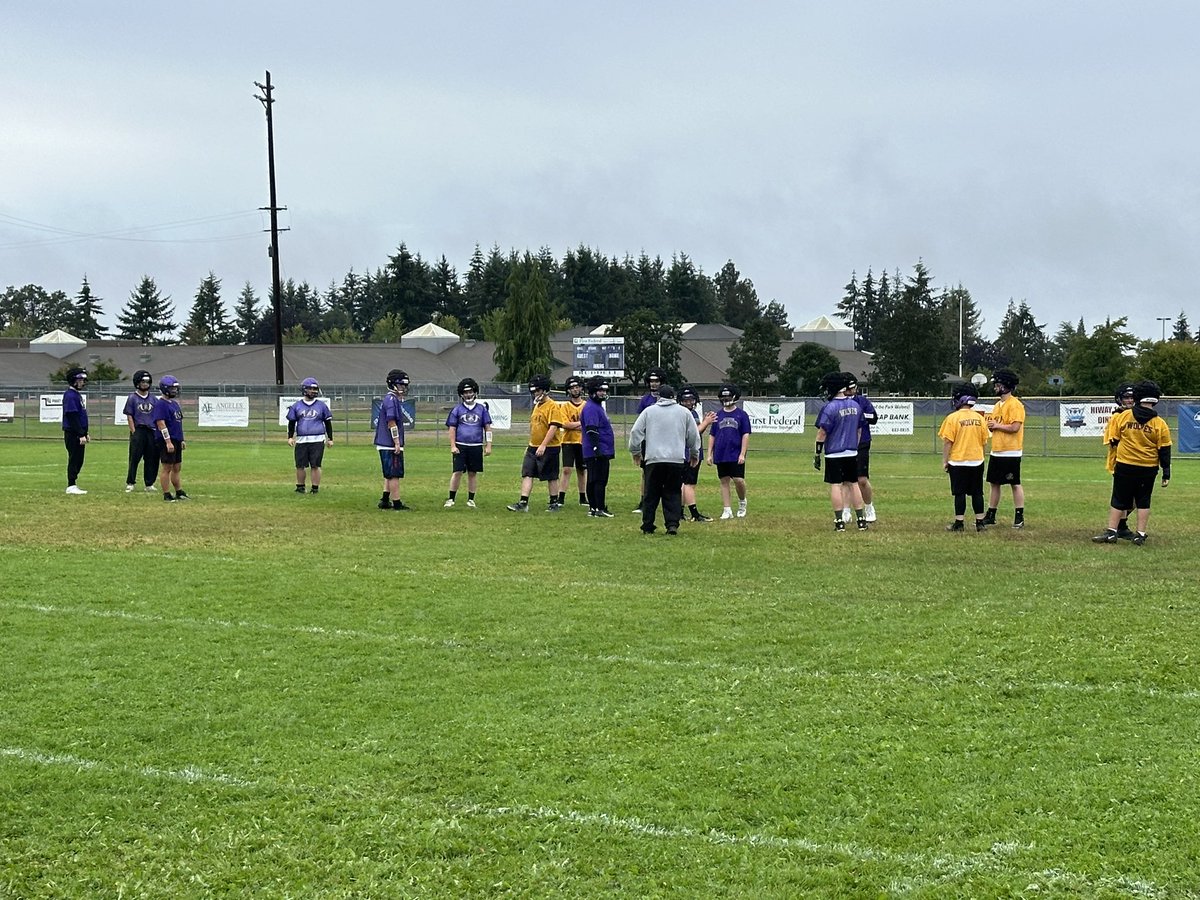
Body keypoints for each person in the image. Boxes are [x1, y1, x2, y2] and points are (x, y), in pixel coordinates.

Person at [1092, 380, 1172, 546]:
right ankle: (1140, 534)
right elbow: (1164, 449)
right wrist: (1166, 472)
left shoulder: (1123, 416)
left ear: (1137, 397)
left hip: (1125, 464)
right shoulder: (1160, 423)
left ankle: (1112, 531)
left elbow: (1114, 439)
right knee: (1143, 500)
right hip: (1148, 467)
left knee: (1118, 499)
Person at [628, 384, 701, 535]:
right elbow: (693, 435)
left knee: (651, 493)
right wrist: (694, 454)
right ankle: (672, 524)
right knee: (673, 492)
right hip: (676, 459)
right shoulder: (684, 413)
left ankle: (648, 525)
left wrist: (635, 451)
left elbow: (636, 432)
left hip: (654, 459)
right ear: (673, 397)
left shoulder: (649, 411)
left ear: (658, 397)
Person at [814, 371, 866, 531]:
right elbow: (859, 430)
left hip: (834, 452)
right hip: (851, 451)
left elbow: (822, 432)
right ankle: (861, 521)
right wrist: (854, 447)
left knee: (836, 485)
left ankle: (839, 522)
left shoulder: (830, 408)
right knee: (854, 484)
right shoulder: (856, 405)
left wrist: (817, 453)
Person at [507, 374, 563, 512]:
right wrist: (530, 444)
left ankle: (554, 502)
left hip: (550, 447)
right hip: (533, 446)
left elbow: (553, 427)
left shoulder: (553, 406)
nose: (535, 394)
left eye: (538, 391)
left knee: (551, 476)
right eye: (533, 391)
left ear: (545, 390)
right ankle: (523, 502)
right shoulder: (537, 406)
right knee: (527, 473)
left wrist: (543, 444)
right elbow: (535, 427)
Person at [938, 383, 990, 531]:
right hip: (976, 461)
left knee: (959, 493)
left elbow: (948, 442)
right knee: (977, 493)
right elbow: (984, 441)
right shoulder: (980, 418)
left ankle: (959, 522)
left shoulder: (952, 418)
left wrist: (945, 461)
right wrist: (982, 457)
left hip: (958, 461)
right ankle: (980, 522)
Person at [982, 368, 1026, 529]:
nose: (995, 387)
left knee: (1014, 483)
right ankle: (991, 514)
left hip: (1011, 451)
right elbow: (997, 426)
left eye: (998, 384)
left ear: (1006, 385)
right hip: (997, 450)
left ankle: (1019, 516)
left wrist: (998, 426)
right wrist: (993, 427)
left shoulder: (1015, 405)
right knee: (994, 483)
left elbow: (1015, 427)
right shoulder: (997, 406)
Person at [444, 377, 492, 508]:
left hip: (476, 446)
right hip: (461, 445)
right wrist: (453, 445)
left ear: (475, 392)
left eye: (470, 391)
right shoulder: (457, 410)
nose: (468, 394)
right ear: (461, 394)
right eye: (465, 392)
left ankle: (471, 499)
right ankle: (451, 498)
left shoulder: (482, 409)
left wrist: (488, 445)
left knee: (472, 473)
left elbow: (487, 427)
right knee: (457, 472)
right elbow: (452, 428)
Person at [708, 383, 751, 519]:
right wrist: (709, 453)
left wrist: (742, 453)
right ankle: (727, 509)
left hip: (735, 453)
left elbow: (745, 434)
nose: (725, 399)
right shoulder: (718, 415)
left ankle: (742, 502)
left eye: (728, 396)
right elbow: (712, 435)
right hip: (721, 453)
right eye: (723, 397)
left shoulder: (741, 415)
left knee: (738, 480)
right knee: (724, 480)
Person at [1100, 382, 1137, 539]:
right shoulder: (1116, 417)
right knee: (1123, 496)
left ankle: (1121, 522)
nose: (1129, 401)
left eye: (1132, 397)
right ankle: (1121, 526)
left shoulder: (1137, 415)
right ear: (1120, 399)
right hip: (1120, 460)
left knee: (1136, 498)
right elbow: (1113, 440)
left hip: (1137, 461)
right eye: (1126, 397)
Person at [286, 377, 333, 494]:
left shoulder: (321, 406)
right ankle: (300, 487)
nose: (313, 391)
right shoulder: (296, 406)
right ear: (304, 389)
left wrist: (330, 438)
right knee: (300, 465)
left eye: (315, 389)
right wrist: (290, 437)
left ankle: (315, 488)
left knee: (315, 465)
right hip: (302, 440)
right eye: (311, 388)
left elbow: (328, 422)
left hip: (317, 439)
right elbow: (291, 422)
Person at [373, 369, 411, 510]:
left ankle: (384, 500)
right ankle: (397, 502)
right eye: (401, 385)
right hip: (389, 444)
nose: (403, 388)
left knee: (389, 474)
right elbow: (391, 422)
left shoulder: (391, 399)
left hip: (385, 443)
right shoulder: (391, 400)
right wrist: (396, 442)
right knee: (394, 474)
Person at [844, 373, 878, 523]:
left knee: (862, 479)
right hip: (844, 442)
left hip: (862, 442)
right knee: (845, 480)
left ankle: (869, 507)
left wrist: (858, 414)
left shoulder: (862, 401)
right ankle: (845, 511)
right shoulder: (839, 402)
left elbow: (874, 418)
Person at [678, 385, 716, 522]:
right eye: (685, 400)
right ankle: (694, 513)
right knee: (688, 483)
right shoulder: (682, 413)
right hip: (687, 453)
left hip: (695, 451)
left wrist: (704, 424)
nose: (689, 402)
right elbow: (691, 433)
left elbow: (699, 432)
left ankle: (680, 513)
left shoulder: (693, 413)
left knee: (686, 483)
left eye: (691, 400)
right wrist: (706, 422)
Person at [633, 367, 667, 513]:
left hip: (665, 439)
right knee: (646, 471)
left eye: (656, 381)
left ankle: (668, 501)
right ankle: (644, 501)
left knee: (666, 470)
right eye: (651, 381)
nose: (654, 384)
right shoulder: (645, 399)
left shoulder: (668, 398)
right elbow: (640, 422)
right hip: (648, 440)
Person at [580, 376, 616, 518]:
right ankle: (598, 508)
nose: (603, 393)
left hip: (598, 448)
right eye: (600, 390)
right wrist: (596, 448)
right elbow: (591, 429)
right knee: (599, 479)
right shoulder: (591, 408)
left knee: (594, 479)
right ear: (593, 391)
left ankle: (594, 508)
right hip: (596, 449)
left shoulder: (596, 407)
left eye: (604, 390)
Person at [152, 375, 189, 502]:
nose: (175, 391)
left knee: (177, 467)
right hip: (167, 440)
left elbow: (178, 422)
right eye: (172, 389)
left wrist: (181, 439)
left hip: (176, 438)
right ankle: (166, 494)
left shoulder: (174, 404)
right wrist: (168, 441)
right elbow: (161, 423)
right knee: (167, 467)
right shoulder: (161, 404)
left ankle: (179, 491)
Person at [123, 369, 159, 492]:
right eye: (142, 381)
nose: (145, 384)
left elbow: (157, 417)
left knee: (151, 458)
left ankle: (149, 483)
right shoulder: (132, 398)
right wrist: (133, 431)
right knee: (134, 458)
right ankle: (130, 482)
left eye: (147, 382)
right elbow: (129, 416)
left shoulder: (154, 399)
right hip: (138, 430)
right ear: (137, 383)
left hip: (151, 431)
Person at [556, 375, 588, 507]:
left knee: (582, 470)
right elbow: (564, 424)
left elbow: (588, 424)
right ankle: (561, 497)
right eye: (572, 388)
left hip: (582, 442)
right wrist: (580, 424)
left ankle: (582, 497)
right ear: (568, 390)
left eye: (577, 387)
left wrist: (573, 424)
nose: (575, 390)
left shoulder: (586, 405)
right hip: (568, 441)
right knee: (566, 469)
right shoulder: (565, 407)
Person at [61, 366, 90, 495]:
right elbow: (72, 416)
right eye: (80, 380)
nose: (82, 383)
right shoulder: (70, 395)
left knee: (79, 459)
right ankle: (71, 484)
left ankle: (73, 483)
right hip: (73, 433)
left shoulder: (76, 395)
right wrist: (80, 433)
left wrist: (85, 432)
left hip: (79, 432)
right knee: (74, 458)